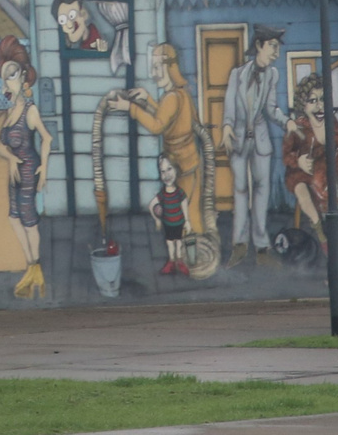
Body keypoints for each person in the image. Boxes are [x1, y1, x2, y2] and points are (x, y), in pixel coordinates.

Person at [117, 44, 205, 242]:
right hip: (189, 162)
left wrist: (131, 107)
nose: (153, 73)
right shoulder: (178, 94)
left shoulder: (171, 97)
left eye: (157, 67)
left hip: (180, 165)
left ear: (169, 68)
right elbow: (166, 118)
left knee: (182, 214)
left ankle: (192, 255)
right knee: (191, 211)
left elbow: (158, 126)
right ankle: (196, 253)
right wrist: (147, 99)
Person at [221, 26, 285, 264]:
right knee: (239, 191)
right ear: (259, 45)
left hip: (260, 139)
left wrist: (287, 123)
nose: (276, 53)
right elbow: (229, 105)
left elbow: (270, 109)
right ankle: (239, 244)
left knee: (262, 191)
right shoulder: (237, 74)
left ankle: (261, 246)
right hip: (238, 138)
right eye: (273, 47)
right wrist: (227, 127)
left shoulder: (272, 75)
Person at [0, 38, 50, 300]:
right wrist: (9, 158)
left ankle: (35, 268)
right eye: (6, 77)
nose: (9, 81)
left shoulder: (30, 110)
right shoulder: (10, 112)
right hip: (14, 171)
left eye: (13, 75)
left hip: (28, 171)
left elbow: (47, 138)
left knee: (29, 221)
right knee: (13, 217)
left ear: (23, 76)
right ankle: (32, 267)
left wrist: (45, 169)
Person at [281, 72, 338, 250]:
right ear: (303, 104)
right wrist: (298, 160)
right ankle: (320, 230)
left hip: (325, 169)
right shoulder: (298, 126)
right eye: (313, 101)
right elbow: (286, 155)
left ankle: (334, 222)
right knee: (302, 192)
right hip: (301, 172)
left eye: (322, 99)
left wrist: (335, 162)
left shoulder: (331, 122)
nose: (319, 106)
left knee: (331, 185)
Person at [152, 158, 188, 276]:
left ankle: (180, 261)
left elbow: (184, 203)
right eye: (162, 171)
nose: (166, 175)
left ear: (176, 170)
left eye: (169, 169)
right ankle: (171, 262)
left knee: (179, 242)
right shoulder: (162, 193)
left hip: (179, 222)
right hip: (168, 223)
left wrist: (187, 220)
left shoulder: (179, 192)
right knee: (169, 243)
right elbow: (151, 204)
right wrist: (157, 219)